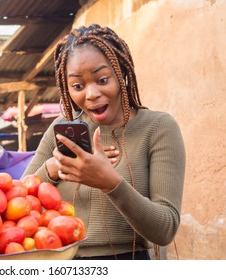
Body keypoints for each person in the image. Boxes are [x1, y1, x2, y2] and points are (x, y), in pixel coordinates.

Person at [21, 24, 186, 260]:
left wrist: (109, 182)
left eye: (102, 79)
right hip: (60, 260)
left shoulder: (158, 128)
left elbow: (166, 229)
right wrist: (54, 169)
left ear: (122, 74)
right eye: (78, 86)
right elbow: (19, 197)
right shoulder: (62, 129)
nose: (91, 94)